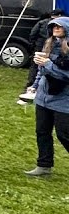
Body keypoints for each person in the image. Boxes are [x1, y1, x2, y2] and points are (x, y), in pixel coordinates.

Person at [25, 16, 69, 175]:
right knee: (42, 131)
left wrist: (48, 64)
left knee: (64, 134)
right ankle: (44, 165)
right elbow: (41, 71)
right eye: (53, 26)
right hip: (44, 97)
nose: (56, 28)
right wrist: (34, 86)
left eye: (59, 26)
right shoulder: (48, 44)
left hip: (64, 99)